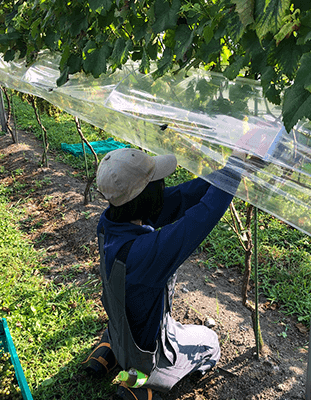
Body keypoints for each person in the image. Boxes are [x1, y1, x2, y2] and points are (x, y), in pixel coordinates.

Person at [84, 148, 247, 400]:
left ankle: (110, 352)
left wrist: (230, 171)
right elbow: (202, 217)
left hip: (121, 329)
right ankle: (138, 383)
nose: (164, 185)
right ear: (146, 196)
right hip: (148, 351)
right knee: (210, 342)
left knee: (126, 319)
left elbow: (182, 197)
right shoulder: (146, 254)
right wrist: (236, 167)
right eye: (158, 183)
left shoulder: (110, 222)